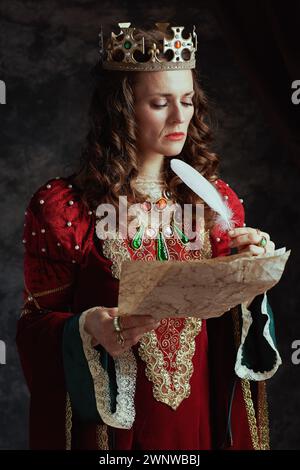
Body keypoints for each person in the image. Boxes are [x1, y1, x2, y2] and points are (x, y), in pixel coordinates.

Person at [17, 22, 281, 450]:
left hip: (201, 422)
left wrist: (251, 279)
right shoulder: (65, 208)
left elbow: (230, 331)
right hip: (114, 433)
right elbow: (33, 328)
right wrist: (87, 327)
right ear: (121, 110)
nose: (180, 117)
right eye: (160, 103)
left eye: (187, 101)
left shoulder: (218, 205)